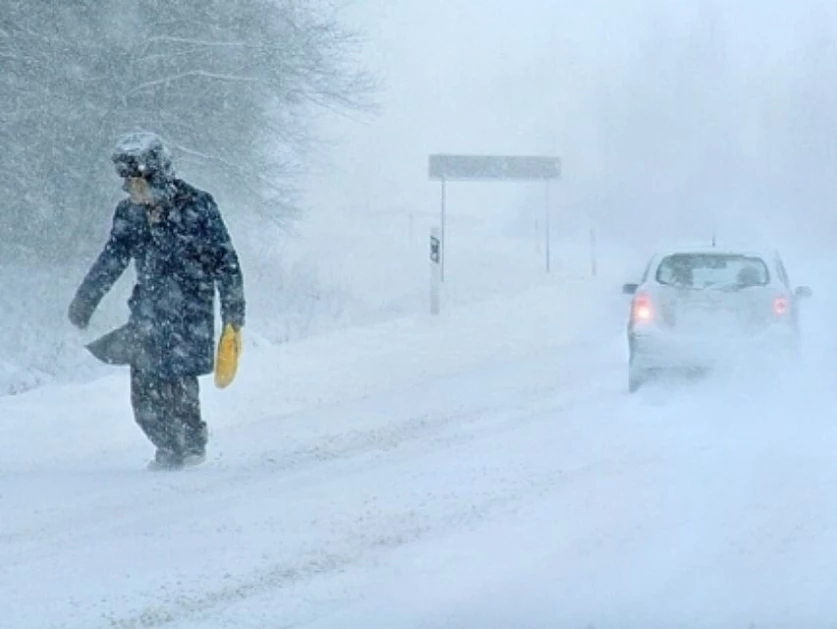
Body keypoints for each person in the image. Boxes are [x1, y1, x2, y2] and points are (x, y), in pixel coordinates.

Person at [68, 131, 245, 470]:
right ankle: (166, 446)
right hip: (147, 314)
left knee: (178, 385)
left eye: (140, 182)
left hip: (190, 313)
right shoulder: (128, 215)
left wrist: (233, 317)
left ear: (159, 175)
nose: (135, 190)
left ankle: (191, 446)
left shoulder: (199, 206)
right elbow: (112, 259)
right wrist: (85, 300)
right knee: (144, 396)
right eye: (129, 183)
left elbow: (227, 263)